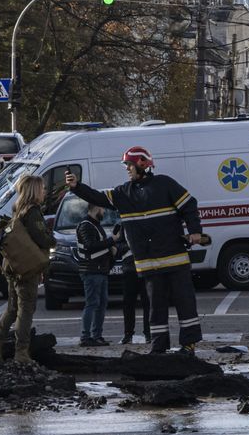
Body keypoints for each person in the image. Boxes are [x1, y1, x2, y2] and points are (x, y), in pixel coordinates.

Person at [66, 148, 210, 354]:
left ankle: (189, 345)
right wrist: (76, 187)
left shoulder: (165, 184)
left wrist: (195, 231)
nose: (127, 170)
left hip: (175, 260)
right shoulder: (123, 193)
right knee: (155, 308)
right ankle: (159, 347)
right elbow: (97, 197)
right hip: (149, 265)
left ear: (142, 164)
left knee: (185, 303)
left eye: (129, 165)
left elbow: (189, 205)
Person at [0, 174, 55, 364]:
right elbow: (41, 238)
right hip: (27, 268)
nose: (45, 191)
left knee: (12, 308)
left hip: (13, 266)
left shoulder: (18, 209)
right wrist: (53, 240)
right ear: (35, 191)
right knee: (26, 309)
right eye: (42, 188)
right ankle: (21, 352)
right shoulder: (33, 212)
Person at [75, 202, 115, 349]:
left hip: (100, 270)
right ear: (97, 208)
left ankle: (96, 336)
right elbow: (90, 246)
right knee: (92, 303)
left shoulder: (95, 225)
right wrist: (111, 241)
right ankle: (86, 337)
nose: (104, 212)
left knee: (101, 304)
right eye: (103, 209)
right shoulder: (86, 225)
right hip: (91, 270)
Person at [113, 219, 149, 346]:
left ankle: (149, 333)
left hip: (145, 266)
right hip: (130, 268)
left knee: (147, 302)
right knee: (128, 303)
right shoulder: (122, 223)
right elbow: (117, 246)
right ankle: (128, 334)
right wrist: (131, 245)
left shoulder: (145, 220)